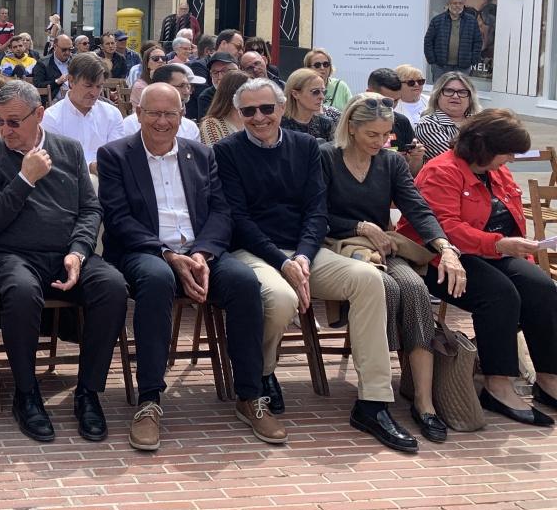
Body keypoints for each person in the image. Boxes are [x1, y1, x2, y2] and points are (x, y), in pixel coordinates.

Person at [215, 78, 416, 453]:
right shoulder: (226, 151)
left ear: (281, 108)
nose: (259, 117)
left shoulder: (306, 146)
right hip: (253, 251)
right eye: (248, 111)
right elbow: (238, 219)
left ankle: (373, 401)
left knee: (369, 280)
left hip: (307, 250)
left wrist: (303, 256)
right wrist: (284, 261)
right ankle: (261, 373)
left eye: (266, 109)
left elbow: (316, 210)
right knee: (279, 300)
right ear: (239, 114)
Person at [99, 83, 286, 451]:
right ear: (138, 113)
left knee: (245, 282)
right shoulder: (115, 155)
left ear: (182, 115)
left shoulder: (201, 154)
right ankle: (149, 400)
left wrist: (202, 253)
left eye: (170, 113)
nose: (162, 121)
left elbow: (221, 211)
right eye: (153, 112)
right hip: (146, 251)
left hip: (202, 251)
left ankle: (250, 395)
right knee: (155, 283)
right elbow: (119, 219)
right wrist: (168, 255)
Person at [0, 80, 128, 444]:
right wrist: (25, 178)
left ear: (39, 115)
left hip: (65, 254)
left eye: (13, 122)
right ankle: (26, 394)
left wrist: (78, 252)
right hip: (12, 256)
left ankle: (88, 392)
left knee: (112, 286)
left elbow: (90, 210)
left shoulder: (69, 151)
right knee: (21, 291)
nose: (5, 130)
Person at [322, 94, 466, 443]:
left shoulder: (390, 162)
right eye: (373, 134)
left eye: (386, 134)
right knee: (384, 288)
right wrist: (360, 226)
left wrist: (444, 248)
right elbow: (314, 213)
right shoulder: (326, 157)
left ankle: (424, 401)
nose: (381, 141)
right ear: (352, 129)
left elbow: (417, 208)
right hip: (339, 245)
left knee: (416, 290)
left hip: (383, 247)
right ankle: (376, 395)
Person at [401, 109, 557, 428]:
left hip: (493, 250)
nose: (511, 159)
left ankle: (548, 378)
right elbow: (443, 228)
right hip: (438, 258)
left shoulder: (496, 172)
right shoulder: (441, 170)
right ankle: (497, 385)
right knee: (499, 295)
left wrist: (519, 252)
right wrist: (499, 245)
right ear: (485, 147)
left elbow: (511, 220)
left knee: (541, 288)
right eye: (508, 152)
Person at [41, 53, 124, 175]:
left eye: (99, 86)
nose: (94, 93)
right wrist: (90, 167)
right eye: (88, 86)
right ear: (71, 81)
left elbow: (116, 155)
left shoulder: (112, 114)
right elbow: (55, 163)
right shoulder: (51, 117)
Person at [121, 64, 202, 142]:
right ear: (162, 86)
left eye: (188, 86)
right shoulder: (131, 124)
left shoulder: (190, 128)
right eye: (182, 86)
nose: (187, 91)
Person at [366, 68, 426, 172]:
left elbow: (412, 175)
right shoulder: (354, 121)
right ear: (369, 93)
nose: (391, 106)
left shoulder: (402, 121)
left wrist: (416, 159)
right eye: (386, 101)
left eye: (396, 100)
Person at [415, 71, 481, 162]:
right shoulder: (428, 123)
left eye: (462, 92)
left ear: (470, 98)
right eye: (449, 91)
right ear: (437, 95)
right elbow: (456, 158)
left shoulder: (479, 121)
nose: (455, 96)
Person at [423, 0, 482, 82]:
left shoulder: (471, 21)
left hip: (463, 67)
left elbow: (478, 42)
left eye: (460, 3)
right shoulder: (437, 20)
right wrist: (432, 61)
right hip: (440, 66)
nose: (458, 6)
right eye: (454, 3)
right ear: (448, 3)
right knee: (440, 91)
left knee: (460, 91)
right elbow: (428, 41)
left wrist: (472, 60)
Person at [281, 68, 336, 142]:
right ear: (295, 94)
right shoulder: (279, 124)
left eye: (324, 91)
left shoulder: (326, 124)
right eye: (315, 92)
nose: (322, 97)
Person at [197, 71, 249, 147]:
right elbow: (216, 155)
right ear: (233, 93)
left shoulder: (254, 119)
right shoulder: (211, 124)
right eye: (248, 90)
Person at [30, 34, 73, 103]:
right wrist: (56, 82)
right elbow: (38, 84)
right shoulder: (43, 63)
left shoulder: (75, 61)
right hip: (53, 102)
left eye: (70, 49)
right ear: (55, 47)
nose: (67, 52)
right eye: (64, 50)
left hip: (75, 100)